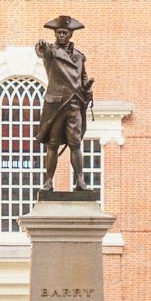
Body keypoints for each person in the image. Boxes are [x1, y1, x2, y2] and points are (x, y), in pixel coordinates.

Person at [35, 15, 94, 192]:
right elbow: (40, 51)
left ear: (70, 35)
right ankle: (49, 181)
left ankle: (80, 181)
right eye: (59, 32)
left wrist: (87, 89)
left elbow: (83, 76)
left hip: (75, 104)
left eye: (65, 33)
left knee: (75, 143)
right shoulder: (50, 51)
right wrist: (40, 46)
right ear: (55, 33)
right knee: (53, 144)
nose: (62, 35)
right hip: (56, 105)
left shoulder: (79, 56)